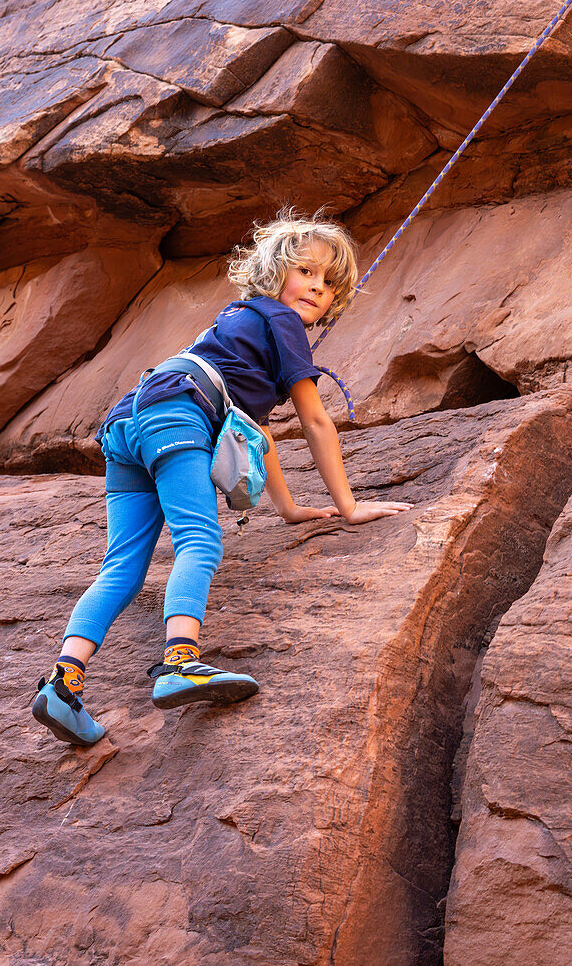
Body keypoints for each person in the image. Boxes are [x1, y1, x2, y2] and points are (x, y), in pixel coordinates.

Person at [31, 209, 412, 746]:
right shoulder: (281, 321)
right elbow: (315, 420)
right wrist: (349, 507)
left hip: (128, 423)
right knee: (199, 541)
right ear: (275, 270)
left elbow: (257, 435)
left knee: (122, 568)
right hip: (176, 415)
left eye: (329, 284)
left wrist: (290, 510)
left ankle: (62, 685)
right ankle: (182, 663)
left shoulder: (241, 321)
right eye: (306, 271)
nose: (317, 289)